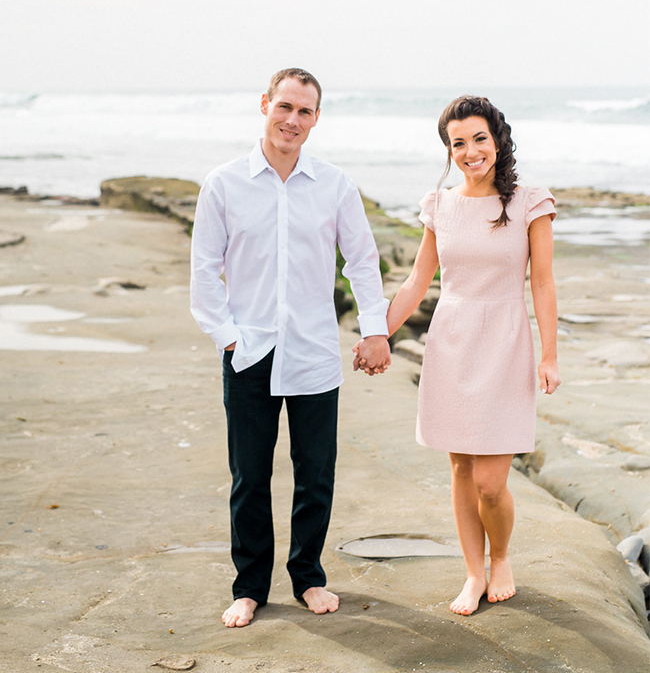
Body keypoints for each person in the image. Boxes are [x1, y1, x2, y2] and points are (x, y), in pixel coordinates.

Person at [190, 68, 391, 628]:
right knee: (249, 477)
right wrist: (228, 337)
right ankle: (250, 586)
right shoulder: (224, 183)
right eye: (285, 107)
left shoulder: (334, 184)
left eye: (305, 112)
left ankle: (308, 577)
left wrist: (374, 328)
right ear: (264, 105)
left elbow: (363, 261)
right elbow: (204, 270)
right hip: (247, 351)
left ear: (316, 118)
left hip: (314, 351)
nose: (292, 120)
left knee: (315, 473)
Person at [355, 94, 560, 616]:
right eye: (458, 143)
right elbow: (417, 281)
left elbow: (543, 285)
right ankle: (473, 573)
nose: (471, 151)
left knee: (492, 483)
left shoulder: (529, 203)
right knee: (461, 469)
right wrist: (377, 333)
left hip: (506, 340)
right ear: (449, 150)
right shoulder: (440, 205)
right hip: (451, 341)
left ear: (498, 140)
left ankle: (502, 559)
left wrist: (550, 355)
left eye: (479, 139)